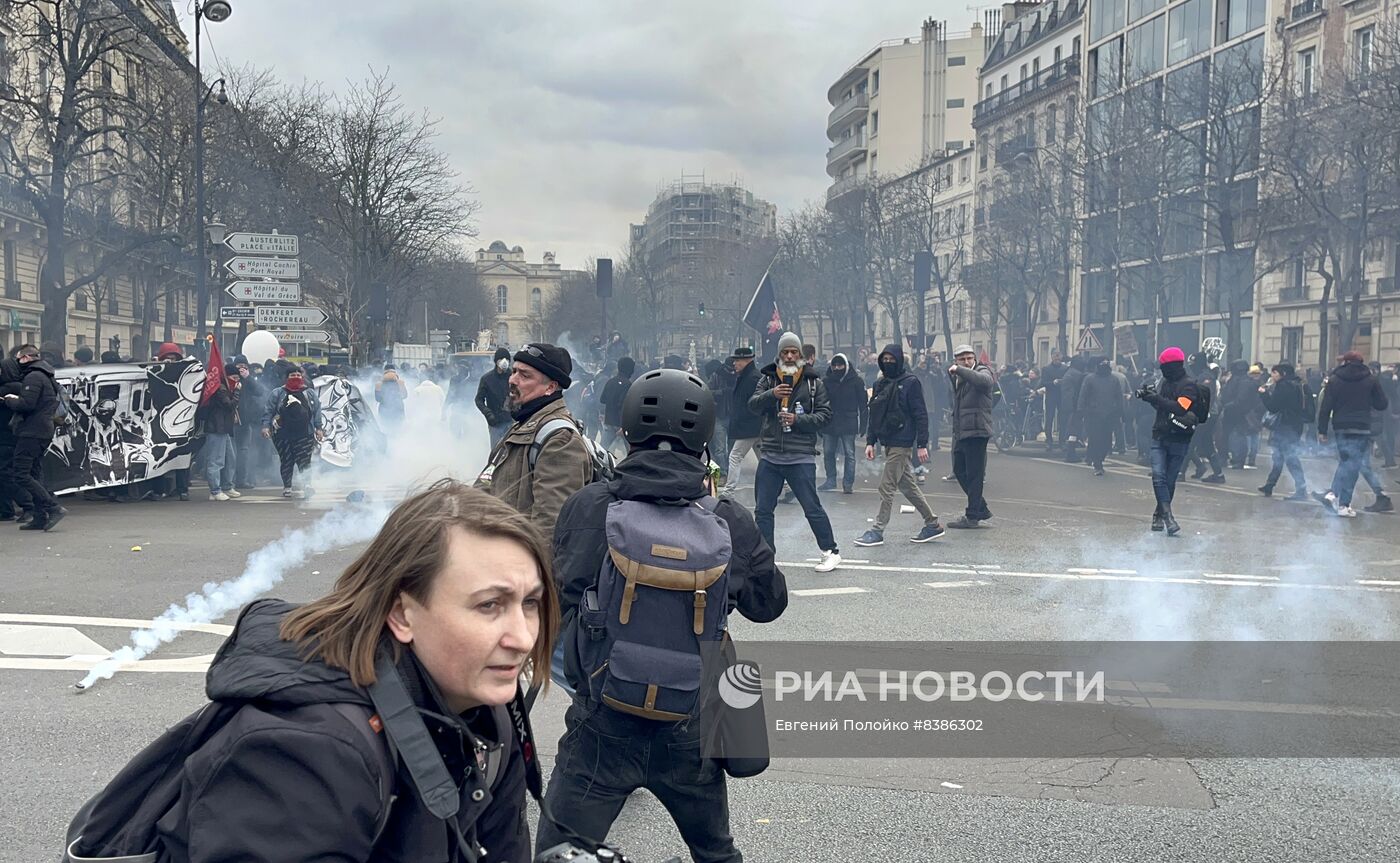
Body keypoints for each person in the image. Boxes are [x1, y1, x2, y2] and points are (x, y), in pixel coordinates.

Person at [71, 482, 553, 862]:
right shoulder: (311, 750)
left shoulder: (486, 712)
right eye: (489, 605)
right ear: (402, 615)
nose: (523, 637)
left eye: (530, 603)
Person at [539, 369, 788, 862]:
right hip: (692, 722)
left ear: (627, 429)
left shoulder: (591, 506)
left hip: (602, 722)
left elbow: (559, 591)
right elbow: (769, 605)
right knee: (715, 851)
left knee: (559, 853)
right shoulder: (726, 517)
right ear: (705, 437)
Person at [475, 343, 593, 540]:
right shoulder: (521, 425)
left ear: (550, 387)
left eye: (525, 375)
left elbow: (548, 532)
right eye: (513, 371)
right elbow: (487, 483)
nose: (512, 380)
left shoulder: (560, 440)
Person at [748, 332, 841, 571]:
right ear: (779, 355)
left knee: (811, 507)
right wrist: (772, 395)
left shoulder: (813, 383)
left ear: (801, 355)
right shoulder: (768, 379)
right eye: (785, 352)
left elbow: (826, 415)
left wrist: (797, 420)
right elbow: (752, 405)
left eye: (794, 352)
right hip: (770, 454)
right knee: (763, 510)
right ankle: (767, 557)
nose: (789, 356)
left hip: (800, 456)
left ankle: (831, 551)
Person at [855, 345, 944, 546]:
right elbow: (875, 415)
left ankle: (877, 530)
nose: (888, 362)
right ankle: (932, 524)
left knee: (886, 486)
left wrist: (922, 444)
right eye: (884, 359)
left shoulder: (911, 383)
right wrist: (870, 441)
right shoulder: (880, 384)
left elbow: (920, 414)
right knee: (908, 487)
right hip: (888, 440)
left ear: (899, 360)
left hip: (902, 443)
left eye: (891, 358)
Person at [1135, 346, 1211, 535]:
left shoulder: (1189, 385)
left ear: (1172, 366)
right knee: (1158, 476)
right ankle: (1168, 517)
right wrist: (1149, 398)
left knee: (1169, 479)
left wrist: (1157, 399)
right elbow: (1161, 407)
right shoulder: (1164, 382)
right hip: (1160, 434)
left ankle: (1158, 514)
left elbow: (1180, 408)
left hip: (1179, 438)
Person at [1316, 351, 1389, 518]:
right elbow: (1382, 404)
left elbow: (1325, 408)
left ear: (1347, 362)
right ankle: (1341, 503)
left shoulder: (1334, 380)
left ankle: (1334, 496)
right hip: (1362, 427)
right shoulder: (1371, 379)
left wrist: (1322, 430)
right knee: (1353, 465)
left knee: (1347, 462)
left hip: (1341, 427)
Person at [0, 344, 65, 530]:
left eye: (19, 358)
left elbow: (26, 404)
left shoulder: (34, 376)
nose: (18, 362)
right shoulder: (43, 375)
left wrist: (9, 399)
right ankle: (39, 516)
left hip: (32, 431)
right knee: (34, 473)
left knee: (21, 473)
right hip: (39, 430)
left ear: (27, 358)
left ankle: (52, 507)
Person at [946, 345, 996, 528]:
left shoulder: (982, 371)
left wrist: (960, 370)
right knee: (959, 470)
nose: (966, 362)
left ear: (974, 358)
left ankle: (973, 516)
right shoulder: (958, 377)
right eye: (962, 359)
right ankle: (980, 507)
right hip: (962, 430)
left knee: (974, 475)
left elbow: (985, 382)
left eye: (969, 358)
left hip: (977, 430)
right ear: (956, 360)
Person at [261, 368, 324, 498]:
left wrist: (319, 428)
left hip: (305, 432)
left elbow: (317, 411)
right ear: (286, 377)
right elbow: (269, 410)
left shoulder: (310, 393)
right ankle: (287, 486)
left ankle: (307, 485)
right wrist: (266, 426)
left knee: (305, 460)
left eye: (298, 375)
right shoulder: (277, 393)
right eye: (292, 375)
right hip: (282, 433)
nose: (295, 377)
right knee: (286, 460)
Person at [1257, 362, 1310, 500]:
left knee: (1289, 457)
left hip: (1285, 426)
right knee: (1280, 456)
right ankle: (1270, 484)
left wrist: (1264, 394)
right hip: (1295, 425)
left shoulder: (1283, 386)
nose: (1272, 375)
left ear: (1283, 374)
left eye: (1275, 373)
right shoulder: (1299, 384)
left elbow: (1273, 407)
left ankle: (1301, 488)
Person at [820, 352, 866, 494]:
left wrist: (864, 424)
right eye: (835, 365)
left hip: (848, 421)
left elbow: (863, 405)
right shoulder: (826, 381)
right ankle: (831, 480)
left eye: (840, 365)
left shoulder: (857, 381)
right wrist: (819, 422)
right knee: (828, 452)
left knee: (849, 453)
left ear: (846, 365)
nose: (837, 368)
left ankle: (848, 483)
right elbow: (820, 402)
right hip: (830, 421)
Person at [722, 346, 762, 497]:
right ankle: (786, 486)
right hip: (754, 426)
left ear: (747, 361)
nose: (734, 364)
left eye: (737, 360)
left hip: (749, 426)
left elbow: (755, 404)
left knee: (735, 456)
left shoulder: (752, 378)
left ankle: (728, 492)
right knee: (766, 459)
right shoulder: (750, 376)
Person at [1077, 356, 1124, 476]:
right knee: (1095, 438)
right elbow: (1083, 395)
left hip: (1109, 414)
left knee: (1106, 440)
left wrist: (1120, 410)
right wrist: (1081, 410)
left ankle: (1100, 457)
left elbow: (1119, 396)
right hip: (1093, 414)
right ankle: (1097, 463)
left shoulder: (1114, 379)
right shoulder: (1090, 379)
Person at [203, 364, 242, 501]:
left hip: (224, 428)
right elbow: (229, 405)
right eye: (234, 377)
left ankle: (227, 486)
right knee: (216, 460)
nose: (237, 381)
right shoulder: (219, 388)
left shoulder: (226, 388)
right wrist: (237, 392)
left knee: (230, 459)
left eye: (238, 378)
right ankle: (215, 490)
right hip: (216, 428)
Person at [476, 347, 513, 447]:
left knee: (512, 449)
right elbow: (479, 400)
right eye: (501, 359)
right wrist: (488, 413)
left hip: (512, 420)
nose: (504, 362)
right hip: (495, 422)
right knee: (496, 450)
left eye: (507, 359)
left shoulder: (514, 377)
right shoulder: (487, 379)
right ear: (496, 361)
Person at [598, 357, 635, 456]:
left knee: (602, 449)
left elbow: (602, 399)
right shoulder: (628, 384)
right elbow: (624, 406)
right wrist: (623, 426)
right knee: (632, 451)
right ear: (630, 369)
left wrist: (602, 414)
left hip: (609, 422)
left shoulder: (610, 381)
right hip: (621, 424)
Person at [375, 364, 407, 430]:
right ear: (395, 371)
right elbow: (405, 395)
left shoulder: (379, 384)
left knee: (385, 427)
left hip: (384, 409)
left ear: (384, 371)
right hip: (398, 408)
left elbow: (378, 398)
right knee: (398, 428)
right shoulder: (400, 382)